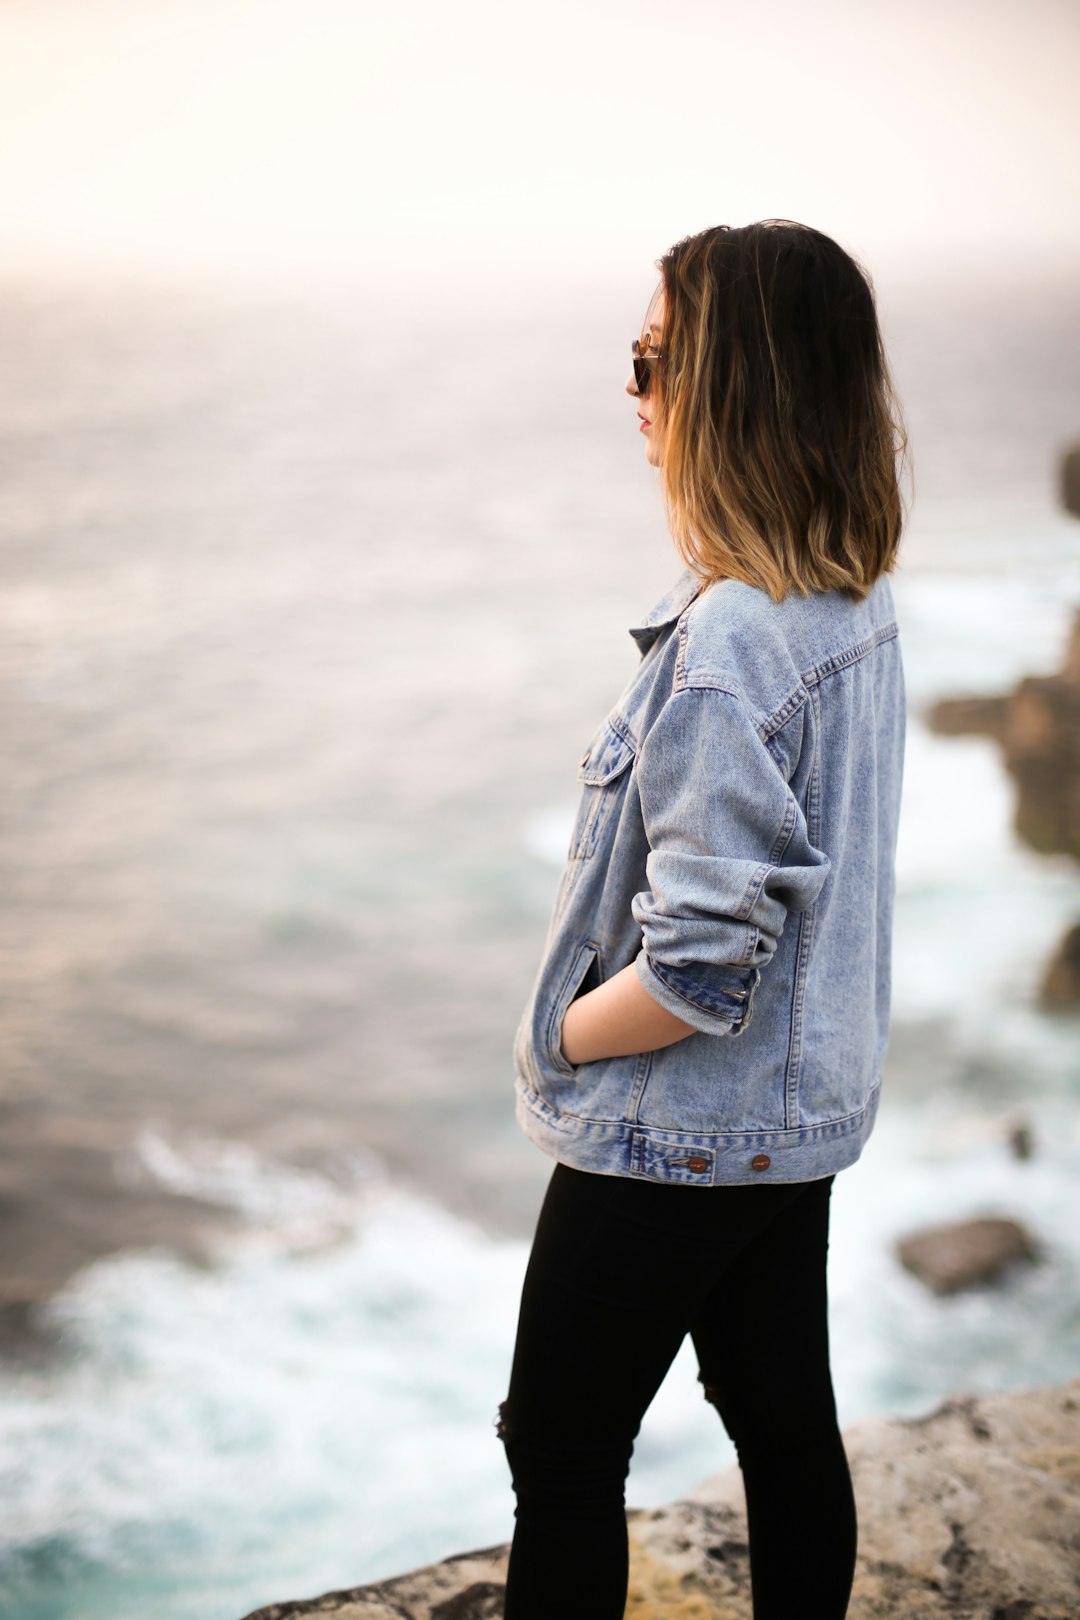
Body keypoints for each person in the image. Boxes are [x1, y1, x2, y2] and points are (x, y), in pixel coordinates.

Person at [496, 220, 907, 1620]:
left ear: (728, 386)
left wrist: (560, 1030)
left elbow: (695, 966)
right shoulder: (851, 596)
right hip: (793, 1114)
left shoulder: (734, 638)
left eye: (652, 360)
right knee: (781, 1411)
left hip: (675, 1129)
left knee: (558, 1450)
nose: (634, 391)